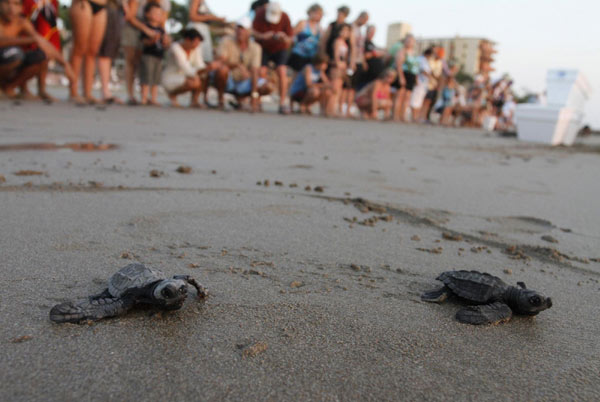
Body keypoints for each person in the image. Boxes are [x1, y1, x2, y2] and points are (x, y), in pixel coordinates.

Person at [0, 0, 73, 98]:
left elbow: (42, 42)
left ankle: (8, 88)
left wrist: (65, 64)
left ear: (21, 7)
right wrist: (31, 39)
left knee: (41, 56)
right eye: (7, 3)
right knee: (15, 54)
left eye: (16, 4)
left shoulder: (21, 22)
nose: (11, 8)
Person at [213, 17, 270, 112]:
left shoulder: (255, 47)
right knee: (222, 70)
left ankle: (244, 100)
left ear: (249, 31)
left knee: (267, 84)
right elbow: (221, 61)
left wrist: (254, 95)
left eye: (243, 29)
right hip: (229, 79)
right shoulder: (226, 41)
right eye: (238, 28)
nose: (240, 31)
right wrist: (238, 65)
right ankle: (220, 100)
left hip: (244, 81)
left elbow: (255, 71)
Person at [121, 0, 170, 105]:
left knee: (145, 65)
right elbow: (130, 16)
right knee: (131, 60)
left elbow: (162, 22)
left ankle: (147, 96)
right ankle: (131, 95)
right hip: (134, 25)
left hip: (153, 30)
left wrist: (164, 36)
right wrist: (146, 30)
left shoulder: (165, 3)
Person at [252, 1, 293, 114]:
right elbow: (253, 32)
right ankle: (258, 101)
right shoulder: (260, 14)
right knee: (262, 71)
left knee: (282, 71)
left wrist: (284, 38)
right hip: (263, 47)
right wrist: (263, 36)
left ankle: (282, 103)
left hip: (280, 48)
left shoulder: (285, 17)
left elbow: (290, 38)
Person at [68, 0, 108, 104]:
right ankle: (73, 91)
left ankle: (88, 93)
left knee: (93, 51)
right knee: (79, 49)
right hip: (83, 3)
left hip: (102, 5)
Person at [21, 0, 61, 101]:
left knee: (46, 52)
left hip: (45, 20)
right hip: (30, 23)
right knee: (26, 48)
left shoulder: (53, 2)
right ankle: (24, 89)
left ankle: (42, 89)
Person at [162, 26, 206, 107]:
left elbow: (200, 65)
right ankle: (172, 95)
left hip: (185, 76)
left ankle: (194, 101)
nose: (196, 46)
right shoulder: (175, 47)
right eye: (195, 43)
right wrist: (204, 70)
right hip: (172, 77)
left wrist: (205, 69)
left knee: (203, 76)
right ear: (187, 40)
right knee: (195, 81)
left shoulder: (196, 48)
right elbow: (185, 68)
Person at [139, 2, 167, 105]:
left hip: (158, 56)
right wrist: (153, 40)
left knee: (156, 79)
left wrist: (165, 42)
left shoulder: (161, 29)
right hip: (148, 56)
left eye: (159, 14)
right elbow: (144, 42)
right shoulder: (146, 27)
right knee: (146, 77)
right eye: (155, 13)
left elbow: (165, 43)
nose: (157, 16)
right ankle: (144, 97)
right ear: (147, 14)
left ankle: (153, 98)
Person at [97, 0, 123, 104]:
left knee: (108, 52)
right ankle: (104, 91)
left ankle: (105, 90)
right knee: (104, 51)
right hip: (105, 7)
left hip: (116, 9)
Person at [287, 3, 322, 73]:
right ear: (310, 12)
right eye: (315, 13)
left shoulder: (319, 27)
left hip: (311, 56)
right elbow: (291, 36)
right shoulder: (303, 23)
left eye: (319, 14)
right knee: (295, 75)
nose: (317, 16)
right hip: (298, 54)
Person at [391, 34, 418, 121]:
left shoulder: (413, 53)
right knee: (399, 95)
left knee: (407, 97)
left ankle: (402, 115)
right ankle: (395, 115)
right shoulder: (402, 51)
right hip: (403, 74)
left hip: (411, 75)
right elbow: (399, 65)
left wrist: (416, 78)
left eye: (411, 41)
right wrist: (401, 77)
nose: (409, 42)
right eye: (408, 40)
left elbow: (416, 67)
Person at [409, 47, 434, 122]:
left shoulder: (425, 60)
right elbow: (423, 71)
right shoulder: (421, 59)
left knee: (419, 100)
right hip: (419, 82)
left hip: (423, 83)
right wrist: (432, 79)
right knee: (415, 99)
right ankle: (414, 116)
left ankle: (416, 116)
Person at [419, 45, 443, 122]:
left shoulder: (440, 62)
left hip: (434, 84)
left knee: (429, 101)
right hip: (427, 83)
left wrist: (437, 83)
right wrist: (433, 79)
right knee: (424, 101)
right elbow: (429, 72)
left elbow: (439, 74)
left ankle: (425, 117)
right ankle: (420, 117)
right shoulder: (428, 60)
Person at [359, 24, 385, 90]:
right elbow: (362, 55)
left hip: (374, 75)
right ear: (367, 31)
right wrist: (375, 53)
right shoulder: (363, 41)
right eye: (371, 31)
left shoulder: (372, 44)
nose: (372, 34)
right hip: (366, 74)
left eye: (374, 32)